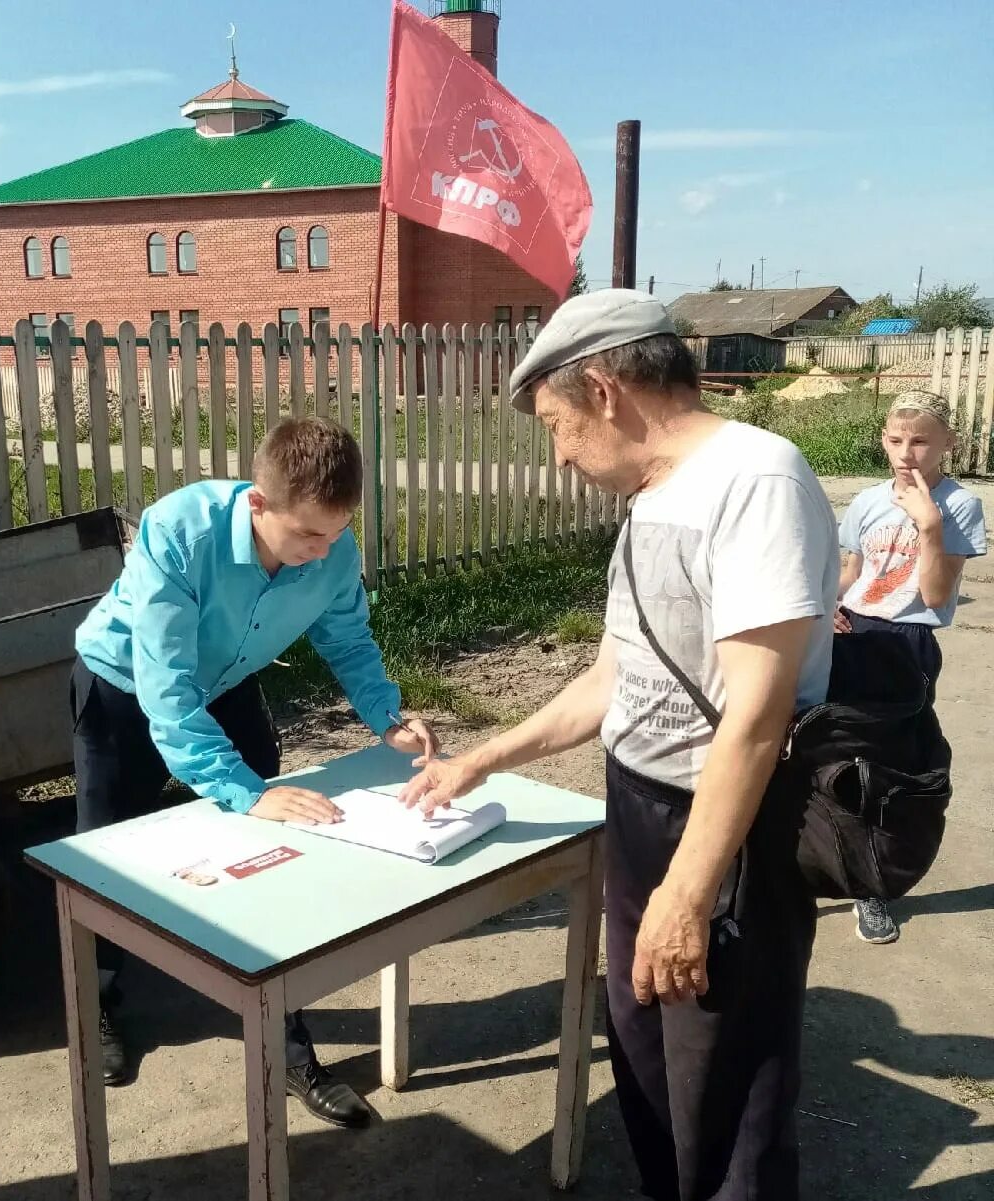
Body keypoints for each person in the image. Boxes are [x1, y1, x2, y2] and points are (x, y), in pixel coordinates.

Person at [400, 289, 839, 1201]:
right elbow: (611, 681)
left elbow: (756, 717)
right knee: (644, 1055)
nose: (560, 454)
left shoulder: (756, 478)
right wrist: (479, 758)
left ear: (605, 390)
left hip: (726, 829)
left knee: (726, 1087)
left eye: (558, 426)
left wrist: (688, 891)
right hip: (639, 808)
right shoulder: (655, 497)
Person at [72, 415, 438, 1127]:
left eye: (336, 534)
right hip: (123, 684)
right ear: (258, 504)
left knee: (268, 856)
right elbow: (166, 691)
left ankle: (287, 1040)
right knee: (106, 860)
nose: (323, 552)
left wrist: (388, 717)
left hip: (225, 680)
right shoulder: (178, 532)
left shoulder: (329, 545)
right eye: (307, 535)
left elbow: (350, 641)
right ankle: (100, 1002)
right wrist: (242, 791)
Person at [835, 389, 986, 944]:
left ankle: (872, 888)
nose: (907, 452)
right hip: (853, 634)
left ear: (947, 443)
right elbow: (854, 574)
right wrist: (827, 605)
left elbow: (935, 591)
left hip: (909, 642)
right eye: (896, 440)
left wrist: (929, 526)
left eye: (921, 440)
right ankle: (820, 861)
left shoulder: (959, 505)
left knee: (891, 767)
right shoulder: (868, 501)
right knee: (832, 753)